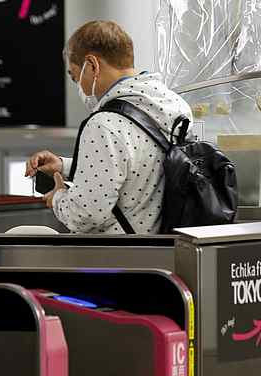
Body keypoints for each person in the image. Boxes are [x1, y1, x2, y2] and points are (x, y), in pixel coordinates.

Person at [26, 20, 193, 234]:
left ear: (92, 65)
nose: (80, 86)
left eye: (75, 76)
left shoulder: (104, 125)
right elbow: (140, 167)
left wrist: (58, 196)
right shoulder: (175, 105)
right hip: (166, 248)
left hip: (119, 258)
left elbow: (86, 214)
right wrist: (64, 166)